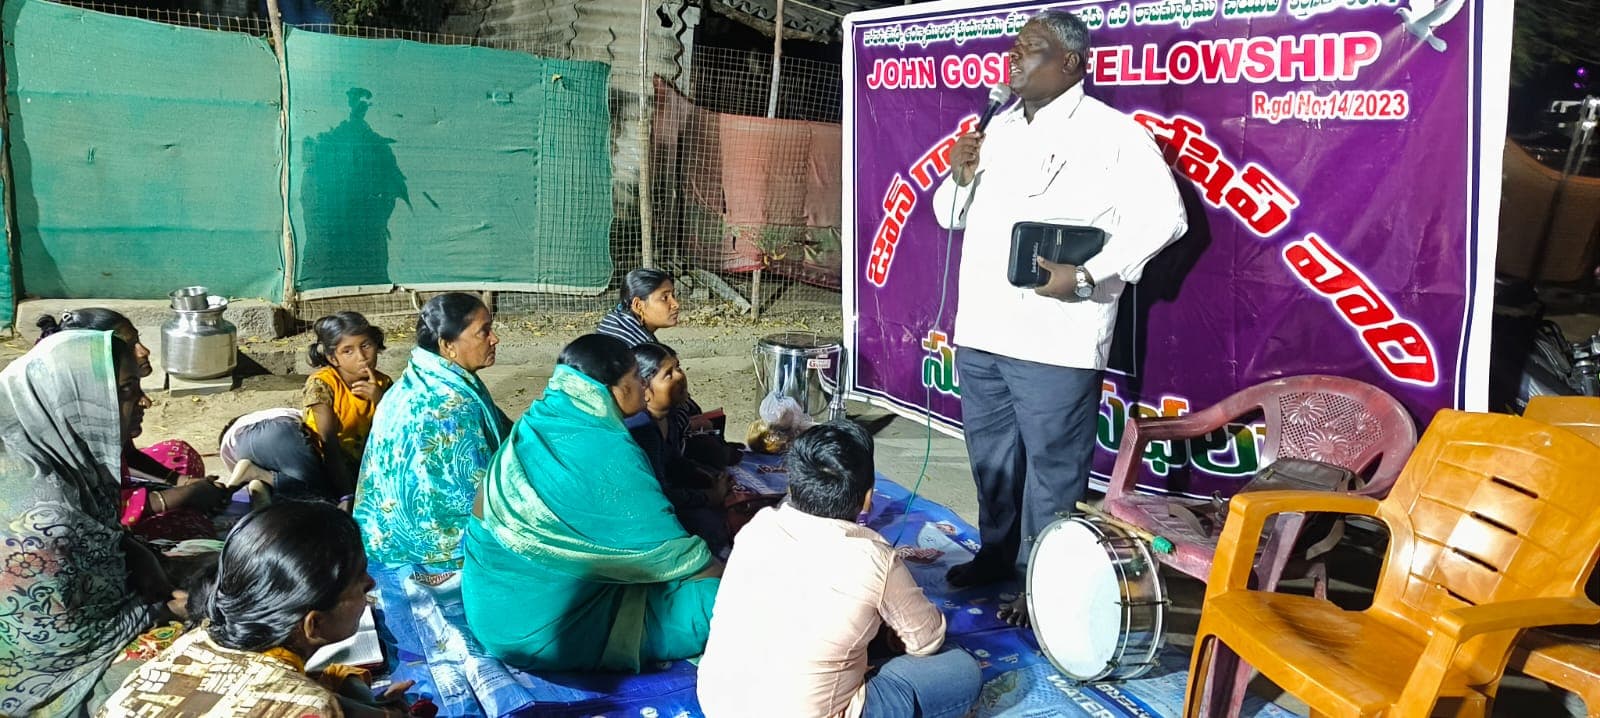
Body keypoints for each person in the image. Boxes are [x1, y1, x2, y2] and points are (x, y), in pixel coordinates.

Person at [931, 11, 1188, 624]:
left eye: (1031, 49)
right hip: (984, 331)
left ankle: (1042, 580)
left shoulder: (1114, 134)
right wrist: (959, 173)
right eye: (1014, 48)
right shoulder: (995, 129)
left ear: (1071, 63)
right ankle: (996, 554)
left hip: (1056, 337)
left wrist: (1088, 275)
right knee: (991, 459)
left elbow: (1165, 218)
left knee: (1052, 471)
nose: (1013, 58)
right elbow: (948, 214)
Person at [462, 334, 721, 672]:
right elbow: (676, 556)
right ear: (616, 389)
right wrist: (734, 573)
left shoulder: (535, 423)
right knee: (727, 600)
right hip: (544, 634)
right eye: (636, 377)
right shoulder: (608, 450)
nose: (642, 386)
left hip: (490, 613)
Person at [697, 422, 981, 718]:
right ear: (868, 498)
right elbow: (926, 641)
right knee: (961, 670)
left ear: (790, 487)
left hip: (719, 703)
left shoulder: (759, 527)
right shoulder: (873, 557)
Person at [0, 330, 177, 716]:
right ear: (67, 398)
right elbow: (56, 645)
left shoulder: (53, 456)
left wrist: (134, 550)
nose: (145, 401)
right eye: (126, 390)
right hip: (38, 677)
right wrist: (156, 611)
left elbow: (104, 538)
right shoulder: (40, 520)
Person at [100, 501, 414, 717]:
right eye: (359, 579)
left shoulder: (196, 640)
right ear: (313, 625)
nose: (371, 583)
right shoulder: (310, 707)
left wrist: (357, 695)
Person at [37, 309, 233, 541]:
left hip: (123, 484)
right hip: (106, 511)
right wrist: (178, 496)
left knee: (178, 452)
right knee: (184, 525)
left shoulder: (108, 398)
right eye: (130, 346)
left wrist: (181, 482)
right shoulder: (72, 423)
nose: (144, 351)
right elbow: (91, 507)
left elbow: (127, 453)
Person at [352, 292, 510, 573]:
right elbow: (477, 493)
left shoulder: (421, 379)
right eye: (483, 332)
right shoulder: (448, 405)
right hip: (430, 559)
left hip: (382, 544)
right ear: (448, 345)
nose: (494, 338)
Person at [625, 342, 731, 556]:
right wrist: (709, 497)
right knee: (708, 521)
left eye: (678, 367)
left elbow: (673, 461)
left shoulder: (669, 415)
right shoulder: (642, 429)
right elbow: (659, 493)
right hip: (644, 515)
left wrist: (706, 476)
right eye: (668, 374)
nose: (680, 376)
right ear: (644, 388)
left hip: (666, 495)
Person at [301, 311, 392, 500]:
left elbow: (397, 429)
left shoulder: (383, 384)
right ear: (333, 358)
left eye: (366, 346)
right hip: (323, 463)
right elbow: (328, 443)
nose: (362, 357)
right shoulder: (323, 384)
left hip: (365, 464)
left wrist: (380, 399)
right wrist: (347, 495)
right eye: (348, 351)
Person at [597, 268, 682, 347]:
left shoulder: (616, 319)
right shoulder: (635, 348)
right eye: (665, 298)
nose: (676, 304)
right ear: (638, 305)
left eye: (673, 295)